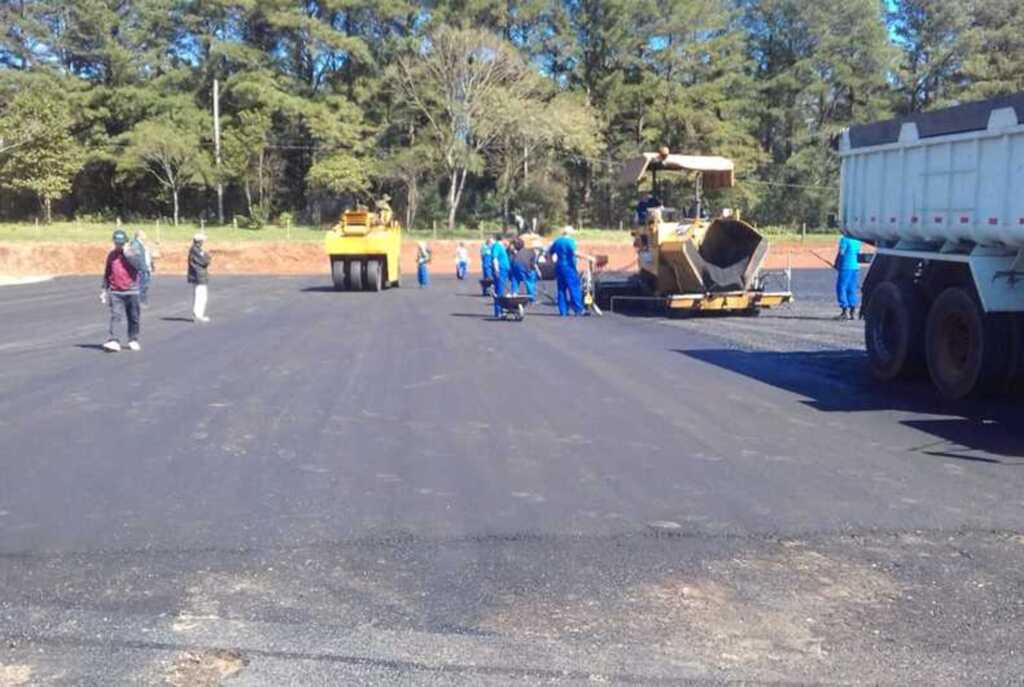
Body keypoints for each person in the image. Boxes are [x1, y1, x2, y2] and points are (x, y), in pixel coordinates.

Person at [100, 229, 144, 352]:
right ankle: (114, 340)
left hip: (132, 290)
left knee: (134, 317)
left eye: (121, 243)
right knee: (115, 316)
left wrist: (127, 253)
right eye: (116, 243)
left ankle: (133, 339)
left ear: (126, 242)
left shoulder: (134, 253)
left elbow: (139, 265)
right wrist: (104, 289)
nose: (118, 246)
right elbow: (107, 273)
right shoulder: (111, 255)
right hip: (116, 291)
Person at [547, 225, 584, 316]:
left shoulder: (557, 241)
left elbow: (549, 252)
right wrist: (588, 257)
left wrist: (552, 263)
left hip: (559, 267)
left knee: (561, 289)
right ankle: (578, 309)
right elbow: (574, 253)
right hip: (569, 267)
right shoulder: (570, 242)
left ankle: (563, 310)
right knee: (574, 288)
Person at [834, 234, 862, 320]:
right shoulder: (857, 240)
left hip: (845, 266)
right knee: (852, 288)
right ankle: (852, 311)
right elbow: (858, 253)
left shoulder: (845, 239)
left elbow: (841, 253)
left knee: (841, 287)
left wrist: (836, 263)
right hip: (855, 267)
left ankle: (844, 310)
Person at [187, 233, 213, 323]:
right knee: (200, 296)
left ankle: (199, 314)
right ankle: (198, 315)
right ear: (199, 241)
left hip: (199, 275)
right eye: (203, 241)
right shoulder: (195, 250)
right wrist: (208, 257)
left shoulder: (197, 249)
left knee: (202, 295)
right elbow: (205, 261)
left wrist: (206, 256)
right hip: (198, 275)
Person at [509, 237, 539, 302]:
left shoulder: (514, 253)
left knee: (515, 279)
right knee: (529, 281)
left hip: (517, 267)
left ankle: (514, 293)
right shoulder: (531, 252)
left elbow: (511, 263)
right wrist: (536, 271)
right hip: (526, 268)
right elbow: (533, 264)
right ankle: (531, 297)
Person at [130, 229, 154, 306]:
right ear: (139, 235)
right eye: (143, 234)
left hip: (145, 268)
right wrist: (138, 267)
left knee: (145, 285)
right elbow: (134, 257)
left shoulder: (141, 244)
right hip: (141, 269)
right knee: (141, 286)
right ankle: (140, 302)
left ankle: (142, 301)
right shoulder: (136, 244)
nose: (145, 235)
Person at [490, 233, 511, 318]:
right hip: (500, 270)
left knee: (501, 290)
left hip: (503, 270)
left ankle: (500, 310)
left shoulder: (501, 246)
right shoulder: (497, 246)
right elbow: (494, 258)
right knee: (499, 290)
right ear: (503, 239)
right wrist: (497, 270)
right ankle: (498, 311)